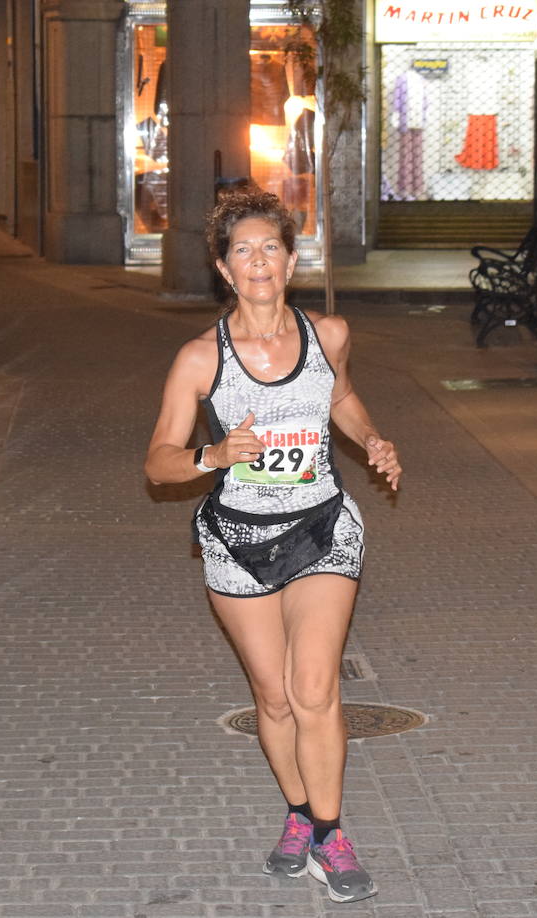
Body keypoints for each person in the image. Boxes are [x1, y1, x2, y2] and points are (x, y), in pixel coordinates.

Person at [145, 189, 401, 904]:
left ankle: (331, 832)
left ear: (291, 259)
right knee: (274, 696)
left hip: (323, 528)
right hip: (237, 542)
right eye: (242, 252)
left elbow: (341, 399)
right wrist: (213, 454)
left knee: (313, 688)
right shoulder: (201, 359)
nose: (258, 262)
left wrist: (373, 438)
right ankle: (296, 812)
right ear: (224, 270)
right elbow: (158, 461)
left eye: (270, 248)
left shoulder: (329, 335)